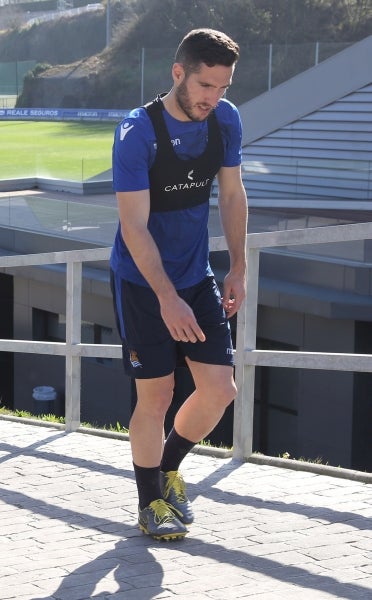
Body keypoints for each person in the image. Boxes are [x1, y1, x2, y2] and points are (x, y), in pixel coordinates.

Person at [109, 28, 248, 541]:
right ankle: (149, 504)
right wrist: (166, 298)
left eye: (223, 87)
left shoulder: (226, 121)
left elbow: (232, 196)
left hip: (197, 275)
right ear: (178, 73)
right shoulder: (136, 132)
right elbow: (134, 226)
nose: (213, 98)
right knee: (157, 394)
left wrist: (238, 266)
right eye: (205, 85)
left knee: (219, 388)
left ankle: (168, 470)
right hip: (143, 282)